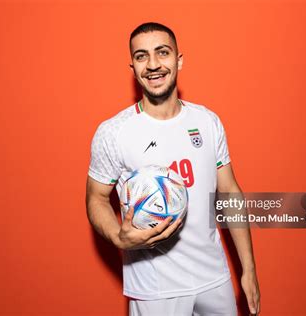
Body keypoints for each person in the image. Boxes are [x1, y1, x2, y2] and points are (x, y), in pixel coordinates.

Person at [86, 22, 261, 316]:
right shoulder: (114, 132)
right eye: (142, 56)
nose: (153, 65)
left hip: (213, 278)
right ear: (133, 68)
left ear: (179, 60)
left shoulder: (207, 122)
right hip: (155, 289)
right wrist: (118, 237)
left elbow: (229, 192)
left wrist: (248, 269)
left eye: (162, 53)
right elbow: (96, 197)